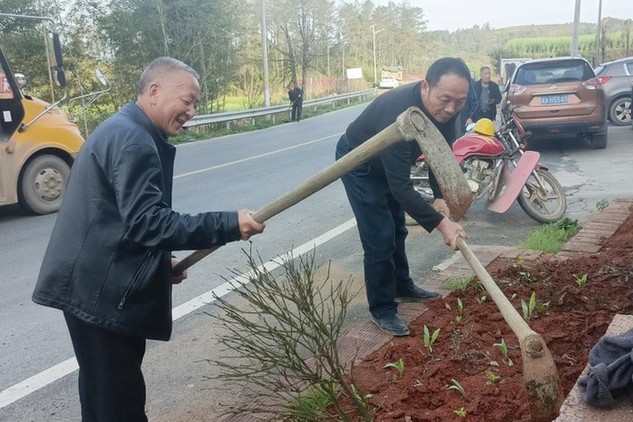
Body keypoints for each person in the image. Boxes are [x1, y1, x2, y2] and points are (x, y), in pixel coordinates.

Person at [32, 57, 266, 421]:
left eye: (195, 104)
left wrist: (156, 264)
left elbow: (114, 220)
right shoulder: (134, 140)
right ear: (155, 91)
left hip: (90, 288)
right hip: (102, 299)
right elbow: (148, 223)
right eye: (186, 99)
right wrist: (229, 224)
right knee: (119, 405)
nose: (191, 110)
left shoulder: (121, 129)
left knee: (99, 396)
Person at [335, 57, 469, 337]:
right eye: (445, 99)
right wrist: (442, 224)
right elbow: (401, 189)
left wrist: (439, 195)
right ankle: (382, 308)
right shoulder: (398, 114)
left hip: (390, 163)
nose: (451, 108)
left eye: (459, 101)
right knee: (380, 236)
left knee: (397, 228)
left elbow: (438, 154)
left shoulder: (448, 110)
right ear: (425, 86)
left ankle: (401, 285)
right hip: (360, 164)